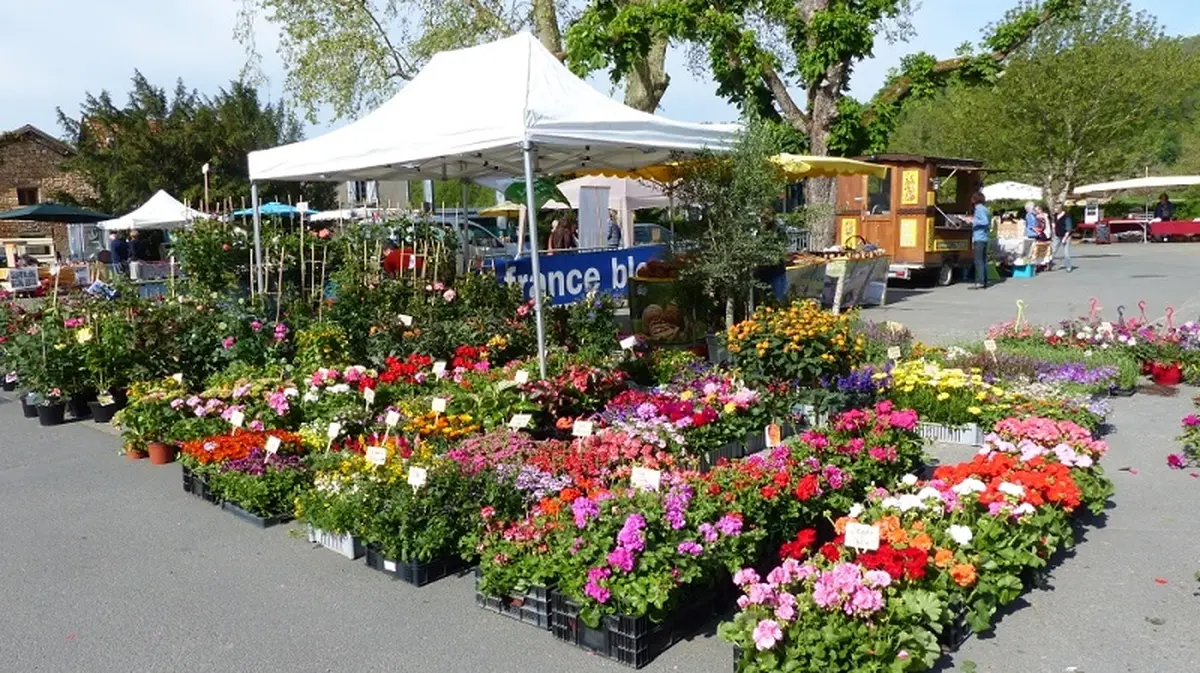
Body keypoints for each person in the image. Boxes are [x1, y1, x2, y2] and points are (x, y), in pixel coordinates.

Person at [970, 192, 992, 290]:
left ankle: (980, 281)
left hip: (979, 237)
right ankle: (984, 280)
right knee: (983, 260)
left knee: (978, 260)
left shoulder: (978, 208)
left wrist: (972, 220)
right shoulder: (985, 209)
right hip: (984, 237)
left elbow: (984, 222)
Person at [1051, 207, 1075, 272]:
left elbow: (1069, 228)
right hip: (1057, 235)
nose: (1055, 210)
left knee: (1066, 252)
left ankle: (1068, 267)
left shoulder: (1066, 216)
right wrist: (1053, 228)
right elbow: (1054, 224)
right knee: (1053, 250)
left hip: (1065, 235)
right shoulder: (1055, 215)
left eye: (1056, 208)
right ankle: (1049, 264)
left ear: (1060, 209)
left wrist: (1065, 238)